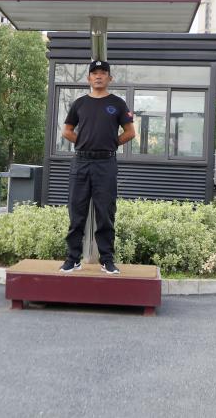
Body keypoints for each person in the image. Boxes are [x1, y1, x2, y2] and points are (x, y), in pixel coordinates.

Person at [59, 60, 136, 275]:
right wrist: (85, 143)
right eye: (95, 73)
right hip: (81, 163)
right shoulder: (80, 103)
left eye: (103, 73)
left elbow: (130, 132)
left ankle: (107, 261)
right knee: (76, 213)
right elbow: (67, 131)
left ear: (110, 78)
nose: (99, 76)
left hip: (106, 164)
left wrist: (111, 143)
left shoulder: (118, 103)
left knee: (105, 213)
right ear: (89, 78)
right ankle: (72, 259)